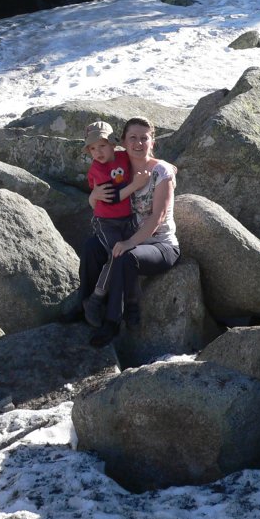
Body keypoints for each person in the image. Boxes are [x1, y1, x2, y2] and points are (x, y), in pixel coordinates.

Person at [79, 116, 180, 347]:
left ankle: (112, 322)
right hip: (127, 235)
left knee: (124, 256)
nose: (138, 143)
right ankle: (84, 305)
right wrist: (92, 196)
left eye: (144, 138)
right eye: (132, 137)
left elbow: (158, 217)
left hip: (160, 245)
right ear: (123, 142)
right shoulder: (118, 166)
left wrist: (130, 242)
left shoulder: (161, 172)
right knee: (92, 246)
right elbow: (101, 203)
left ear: (152, 142)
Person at [81, 121, 151, 326]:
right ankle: (95, 299)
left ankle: (131, 303)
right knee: (116, 255)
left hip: (126, 219)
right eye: (92, 148)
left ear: (113, 144)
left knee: (130, 257)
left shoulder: (122, 157)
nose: (98, 152)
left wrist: (166, 166)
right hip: (106, 222)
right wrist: (136, 185)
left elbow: (143, 158)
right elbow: (111, 198)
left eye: (102, 145)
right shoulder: (97, 169)